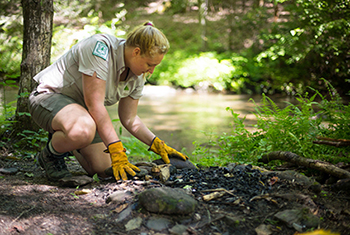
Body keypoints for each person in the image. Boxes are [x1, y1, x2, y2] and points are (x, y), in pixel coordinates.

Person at [28, 21, 189, 182]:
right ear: (136, 52)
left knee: (103, 169)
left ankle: (68, 142)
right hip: (49, 97)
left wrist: (157, 144)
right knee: (82, 130)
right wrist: (117, 150)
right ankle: (50, 156)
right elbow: (95, 105)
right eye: (149, 64)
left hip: (85, 115)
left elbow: (129, 118)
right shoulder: (99, 48)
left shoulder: (138, 73)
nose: (151, 71)